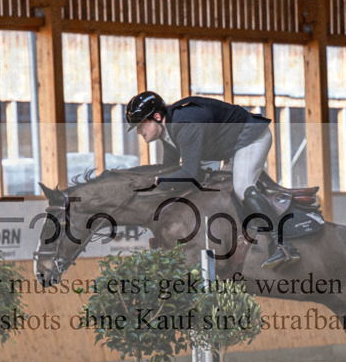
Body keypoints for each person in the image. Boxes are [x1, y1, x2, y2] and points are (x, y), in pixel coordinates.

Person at [125, 90, 299, 270]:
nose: (138, 131)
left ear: (157, 116)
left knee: (242, 187)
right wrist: (149, 181)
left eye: (141, 124)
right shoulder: (169, 132)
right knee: (216, 189)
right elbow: (170, 170)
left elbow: (189, 174)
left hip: (252, 137)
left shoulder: (184, 124)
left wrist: (155, 181)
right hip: (229, 146)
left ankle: (283, 245)